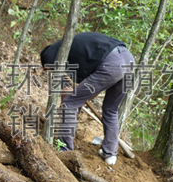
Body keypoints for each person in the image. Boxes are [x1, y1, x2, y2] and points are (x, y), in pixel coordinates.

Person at [40, 32, 134, 165]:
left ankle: (64, 149)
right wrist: (78, 98)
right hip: (128, 60)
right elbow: (87, 90)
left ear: (48, 63)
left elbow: (74, 94)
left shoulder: (56, 56)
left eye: (49, 69)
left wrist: (74, 100)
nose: (50, 72)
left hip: (111, 63)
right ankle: (110, 154)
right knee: (111, 109)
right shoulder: (72, 48)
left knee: (69, 103)